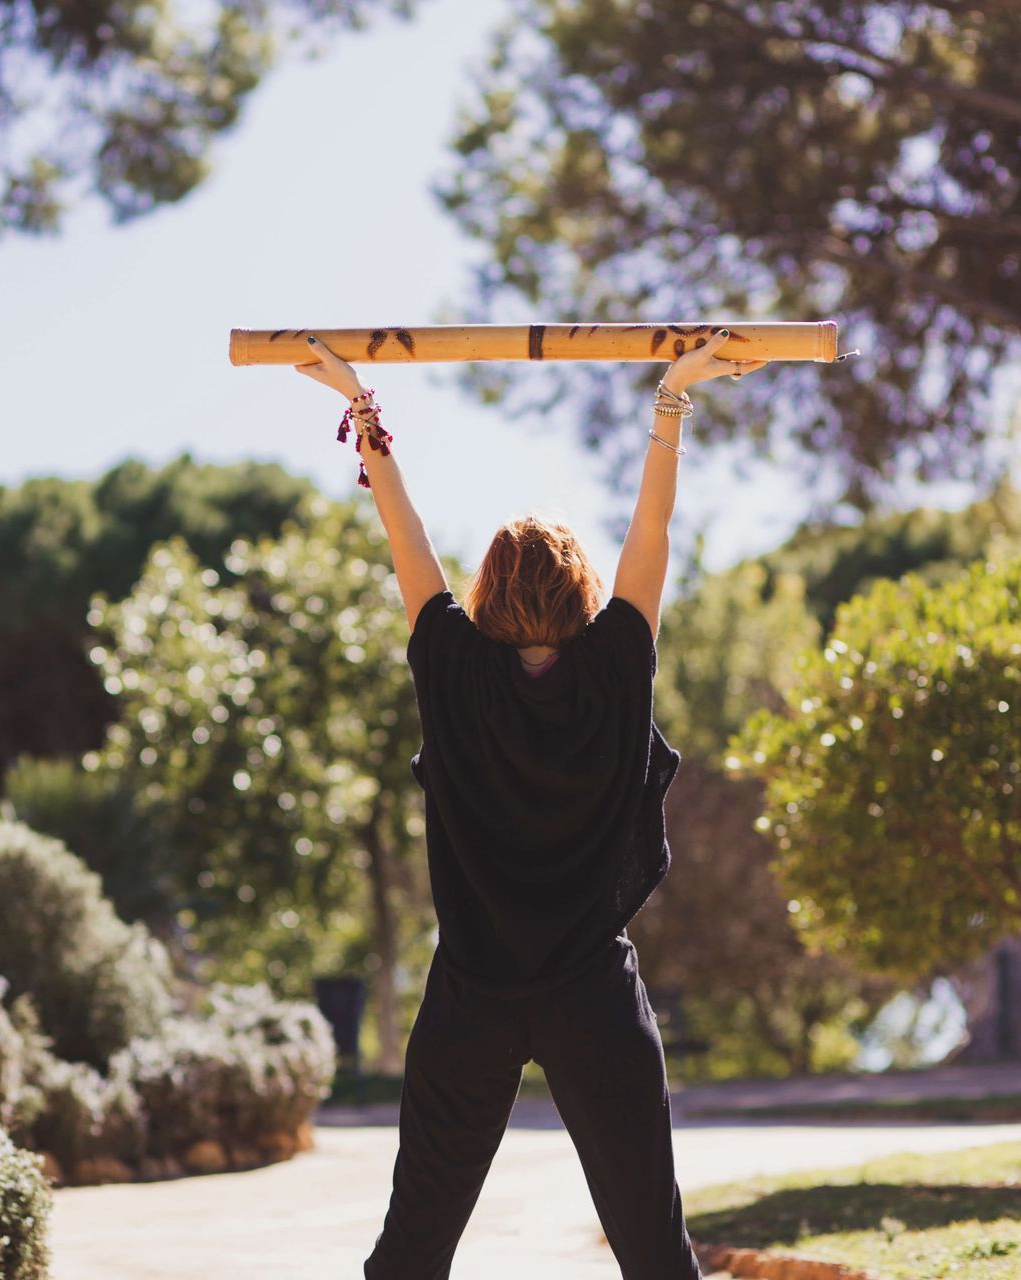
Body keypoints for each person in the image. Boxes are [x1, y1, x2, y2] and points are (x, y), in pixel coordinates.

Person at [294, 330, 766, 1280]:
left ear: (486, 595)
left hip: (472, 992)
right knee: (656, 1256)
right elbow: (652, 536)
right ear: (582, 593)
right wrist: (673, 396)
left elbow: (405, 536)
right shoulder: (615, 665)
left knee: (412, 1251)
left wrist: (359, 402)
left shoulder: (454, 669)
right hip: (592, 992)